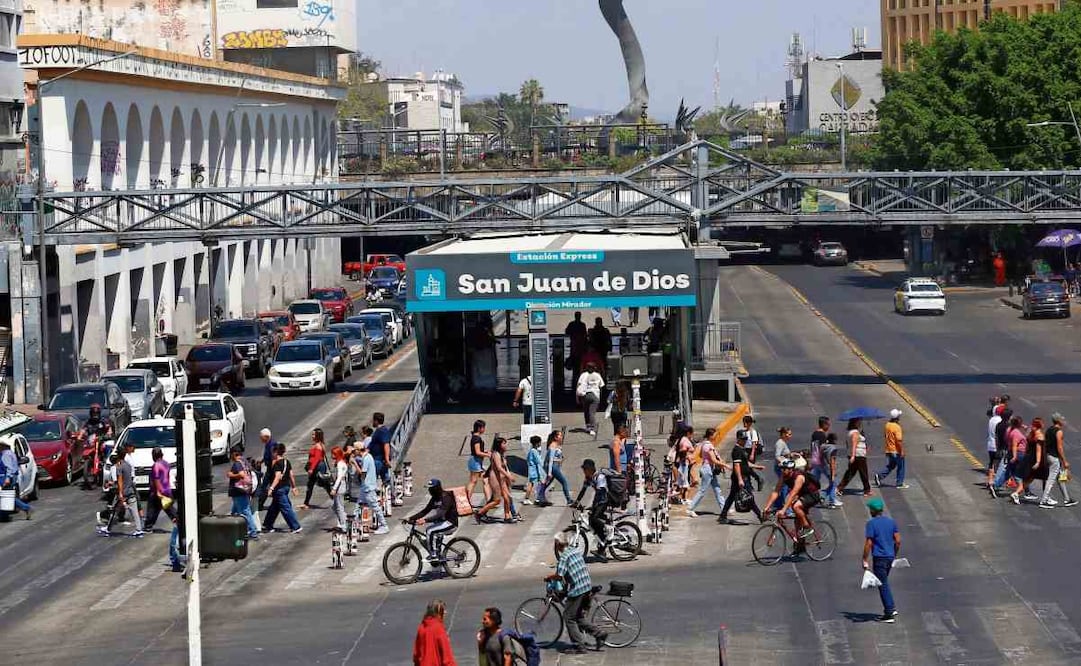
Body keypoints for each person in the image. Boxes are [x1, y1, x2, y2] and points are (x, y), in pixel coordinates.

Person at [548, 533, 608, 654]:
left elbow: (559, 576)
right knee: (578, 616)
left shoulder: (564, 557)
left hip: (578, 589)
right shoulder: (575, 551)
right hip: (587, 586)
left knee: (569, 617)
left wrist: (548, 577)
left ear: (559, 545)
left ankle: (579, 646)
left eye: (556, 544)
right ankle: (599, 633)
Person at [863, 497, 901, 623]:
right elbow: (898, 540)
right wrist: (894, 554)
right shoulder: (891, 522)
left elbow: (869, 543)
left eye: (870, 509)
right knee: (884, 582)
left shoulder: (871, 524)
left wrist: (864, 559)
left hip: (879, 558)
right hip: (889, 557)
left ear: (873, 511)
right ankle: (890, 608)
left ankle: (889, 612)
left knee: (882, 584)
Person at [763, 459, 821, 540]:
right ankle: (799, 547)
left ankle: (807, 527)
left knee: (796, 506)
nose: (782, 471)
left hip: (812, 495)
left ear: (790, 469)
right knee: (797, 524)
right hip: (802, 495)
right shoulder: (784, 476)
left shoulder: (799, 477)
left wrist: (783, 510)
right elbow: (776, 492)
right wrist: (767, 507)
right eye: (781, 469)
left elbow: (793, 494)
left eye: (784, 469)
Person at [407, 479, 459, 561]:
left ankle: (433, 555)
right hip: (442, 522)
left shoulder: (446, 497)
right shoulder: (434, 498)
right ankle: (438, 554)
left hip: (451, 523)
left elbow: (440, 514)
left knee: (430, 531)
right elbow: (425, 511)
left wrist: (425, 520)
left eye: (431, 489)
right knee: (426, 538)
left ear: (436, 489)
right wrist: (410, 518)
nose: (429, 491)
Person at [719, 435, 764, 523]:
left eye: (745, 439)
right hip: (741, 478)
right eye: (743, 439)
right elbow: (736, 465)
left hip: (742, 477)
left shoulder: (741, 450)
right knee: (749, 497)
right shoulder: (736, 450)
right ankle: (760, 515)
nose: (744, 441)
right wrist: (740, 479)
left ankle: (723, 516)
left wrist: (757, 467)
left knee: (732, 497)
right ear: (738, 439)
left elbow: (746, 463)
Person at [102, 442, 145, 536]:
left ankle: (108, 528)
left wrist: (120, 493)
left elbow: (120, 481)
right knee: (134, 511)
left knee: (114, 511)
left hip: (123, 493)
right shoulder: (128, 466)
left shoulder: (119, 466)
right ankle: (139, 529)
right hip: (130, 491)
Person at [572, 458, 610, 561]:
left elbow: (600, 493)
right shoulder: (588, 478)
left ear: (590, 469)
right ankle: (602, 549)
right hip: (598, 502)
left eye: (585, 469)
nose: (584, 471)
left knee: (594, 519)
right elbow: (583, 491)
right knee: (592, 522)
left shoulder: (599, 477)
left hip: (604, 501)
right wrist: (576, 502)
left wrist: (593, 506)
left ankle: (608, 530)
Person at [476, 437, 519, 523]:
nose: (506, 445)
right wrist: (509, 476)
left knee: (507, 497)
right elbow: (499, 468)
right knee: (497, 500)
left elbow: (505, 467)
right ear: (499, 445)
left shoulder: (501, 454)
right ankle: (479, 513)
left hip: (502, 479)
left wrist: (508, 476)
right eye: (504, 443)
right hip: (495, 479)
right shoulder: (496, 454)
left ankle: (507, 516)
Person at [687, 430, 728, 518]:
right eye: (714, 435)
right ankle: (690, 509)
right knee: (702, 491)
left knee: (717, 489)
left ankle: (724, 508)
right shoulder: (708, 446)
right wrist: (725, 465)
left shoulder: (704, 444)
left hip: (710, 469)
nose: (716, 436)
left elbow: (703, 456)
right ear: (710, 436)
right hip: (707, 470)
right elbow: (713, 459)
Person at [262, 443, 302, 533]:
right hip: (286, 487)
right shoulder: (287, 462)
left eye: (273, 452)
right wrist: (294, 487)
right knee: (274, 507)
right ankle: (268, 524)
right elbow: (291, 475)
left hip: (279, 489)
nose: (272, 454)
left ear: (276, 452)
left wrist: (271, 488)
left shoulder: (277, 464)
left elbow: (277, 476)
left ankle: (295, 526)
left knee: (285, 508)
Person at [352, 438, 389, 535]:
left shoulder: (366, 458)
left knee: (375, 507)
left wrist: (354, 464)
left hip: (368, 487)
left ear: (358, 450)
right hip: (366, 487)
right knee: (357, 506)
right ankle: (354, 525)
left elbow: (362, 474)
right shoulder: (368, 457)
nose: (353, 452)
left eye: (354, 450)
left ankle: (384, 525)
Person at [1042, 413, 1077, 508]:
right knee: (1051, 479)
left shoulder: (1049, 430)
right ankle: (1044, 500)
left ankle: (1067, 499)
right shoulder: (1059, 432)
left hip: (1049, 456)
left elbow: (1045, 444)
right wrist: (1064, 461)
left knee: (1060, 478)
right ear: (1058, 421)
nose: (1064, 421)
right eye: (1062, 419)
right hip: (1054, 458)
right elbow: (1060, 447)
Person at [225, 445, 260, 539]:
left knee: (245, 512)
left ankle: (253, 531)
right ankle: (233, 531)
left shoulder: (237, 463)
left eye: (231, 454)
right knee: (235, 513)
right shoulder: (245, 462)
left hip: (239, 491)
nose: (230, 456)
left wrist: (231, 475)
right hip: (244, 490)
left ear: (234, 454)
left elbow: (241, 474)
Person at [413, 599, 456, 666]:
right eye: (443, 610)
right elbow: (447, 658)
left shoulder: (421, 628)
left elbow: (416, 655)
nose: (445, 612)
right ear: (438, 613)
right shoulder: (439, 629)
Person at [143, 446, 176, 531]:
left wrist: (158, 491)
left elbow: (156, 479)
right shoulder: (166, 463)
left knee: (152, 509)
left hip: (158, 492)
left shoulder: (156, 465)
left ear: (154, 456)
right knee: (168, 508)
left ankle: (148, 526)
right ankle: (178, 521)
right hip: (167, 490)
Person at [837, 417, 872, 497]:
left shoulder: (850, 432)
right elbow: (854, 444)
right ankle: (867, 490)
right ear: (855, 423)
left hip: (856, 454)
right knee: (863, 472)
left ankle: (840, 487)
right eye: (858, 421)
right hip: (858, 455)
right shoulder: (855, 433)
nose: (860, 423)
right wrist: (853, 455)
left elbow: (848, 444)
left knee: (850, 472)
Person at [536, 430, 572, 506]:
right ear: (555, 437)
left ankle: (540, 496)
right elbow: (550, 459)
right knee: (564, 482)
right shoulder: (552, 446)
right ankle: (569, 500)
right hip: (553, 466)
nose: (561, 437)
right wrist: (549, 472)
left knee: (547, 483)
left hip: (555, 466)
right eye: (560, 435)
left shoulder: (557, 445)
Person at [875, 409, 908, 489]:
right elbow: (898, 441)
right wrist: (901, 451)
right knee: (901, 466)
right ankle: (899, 483)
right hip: (896, 450)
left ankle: (879, 476)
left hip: (889, 449)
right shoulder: (897, 427)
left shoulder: (887, 425)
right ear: (897, 418)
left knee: (891, 465)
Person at [301, 428, 333, 510]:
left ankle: (335, 499)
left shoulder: (318, 446)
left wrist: (311, 468)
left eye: (313, 434)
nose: (312, 436)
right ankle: (306, 503)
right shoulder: (318, 444)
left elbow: (317, 458)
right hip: (317, 466)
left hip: (318, 467)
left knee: (324, 484)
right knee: (311, 484)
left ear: (318, 436)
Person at [0, 439, 32, 519]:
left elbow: (9, 468)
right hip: (11, 476)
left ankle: (26, 507)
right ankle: (4, 515)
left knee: (6, 497)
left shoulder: (5, 455)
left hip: (6, 477)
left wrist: (7, 478)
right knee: (6, 497)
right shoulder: (10, 453)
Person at [464, 420, 490, 505]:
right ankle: (466, 501)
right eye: (483, 427)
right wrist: (488, 455)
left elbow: (478, 451)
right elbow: (477, 452)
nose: (484, 429)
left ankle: (489, 501)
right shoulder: (477, 438)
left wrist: (485, 452)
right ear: (479, 428)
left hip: (476, 461)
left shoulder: (475, 437)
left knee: (485, 480)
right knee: (473, 481)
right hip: (475, 461)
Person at [576, 362, 605, 437]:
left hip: (585, 395)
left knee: (586, 411)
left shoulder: (583, 375)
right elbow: (601, 386)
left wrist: (577, 397)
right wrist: (600, 397)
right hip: (595, 395)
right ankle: (592, 429)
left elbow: (578, 385)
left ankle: (588, 426)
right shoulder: (597, 375)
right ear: (594, 368)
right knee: (592, 412)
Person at [772, 427, 794, 510]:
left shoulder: (783, 443)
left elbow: (784, 454)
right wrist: (785, 464)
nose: (790, 436)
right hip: (781, 468)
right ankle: (785, 506)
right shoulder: (780, 443)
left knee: (784, 486)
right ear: (784, 434)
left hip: (783, 468)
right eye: (789, 434)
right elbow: (777, 456)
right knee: (785, 486)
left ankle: (778, 503)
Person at [369, 412, 393, 487]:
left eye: (373, 420)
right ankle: (387, 495)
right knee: (384, 480)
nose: (372, 422)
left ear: (376, 421)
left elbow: (386, 444)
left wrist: (387, 458)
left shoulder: (382, 431)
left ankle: (387, 495)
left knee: (372, 480)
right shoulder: (379, 430)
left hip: (379, 460)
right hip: (378, 459)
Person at [565, 311, 588, 386]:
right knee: (580, 367)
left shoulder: (572, 324)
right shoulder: (582, 325)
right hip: (579, 349)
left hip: (575, 348)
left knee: (575, 368)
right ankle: (580, 381)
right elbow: (585, 335)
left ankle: (575, 383)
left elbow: (567, 332)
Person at [256, 428, 277, 511]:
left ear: (266, 437)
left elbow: (274, 458)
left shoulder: (272, 445)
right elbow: (267, 456)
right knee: (269, 487)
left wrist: (272, 470)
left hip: (271, 470)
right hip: (270, 469)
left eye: (261, 437)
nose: (260, 439)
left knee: (265, 487)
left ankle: (260, 504)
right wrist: (261, 461)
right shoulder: (268, 444)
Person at [329, 446, 349, 532]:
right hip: (342, 486)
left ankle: (344, 524)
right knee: (335, 506)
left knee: (339, 507)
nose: (331, 455)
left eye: (333, 454)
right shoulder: (341, 463)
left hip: (339, 487)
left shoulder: (340, 464)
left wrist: (334, 488)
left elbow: (339, 477)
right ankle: (343, 520)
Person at [524, 435, 544, 505]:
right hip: (534, 470)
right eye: (539, 443)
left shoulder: (532, 451)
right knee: (533, 484)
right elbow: (539, 461)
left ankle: (538, 498)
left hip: (533, 470)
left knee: (534, 484)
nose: (540, 444)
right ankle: (529, 498)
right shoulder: (534, 451)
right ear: (536, 443)